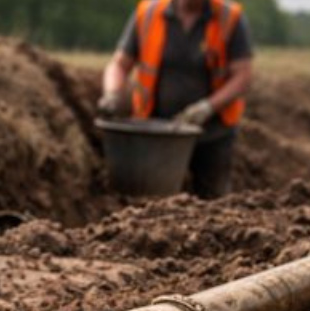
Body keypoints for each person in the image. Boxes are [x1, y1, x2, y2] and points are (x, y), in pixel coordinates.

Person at [98, 0, 254, 199]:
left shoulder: (228, 17)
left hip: (212, 132)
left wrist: (208, 107)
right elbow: (119, 65)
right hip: (158, 132)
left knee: (213, 201)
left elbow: (243, 76)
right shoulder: (149, 13)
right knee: (152, 199)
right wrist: (112, 93)